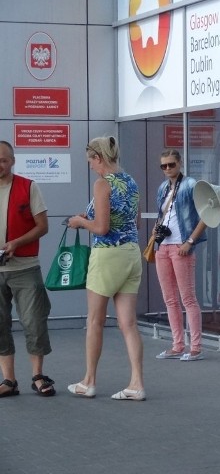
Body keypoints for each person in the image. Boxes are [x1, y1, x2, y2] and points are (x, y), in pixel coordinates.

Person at [67, 136, 145, 401]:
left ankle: (88, 381)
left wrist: (79, 221)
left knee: (94, 320)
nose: (90, 166)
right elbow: (135, 221)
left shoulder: (102, 184)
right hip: (131, 253)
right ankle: (136, 383)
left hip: (108, 255)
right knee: (128, 323)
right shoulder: (131, 181)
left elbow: (102, 228)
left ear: (98, 158)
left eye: (90, 160)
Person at [0, 140, 55, 398]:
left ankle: (38, 376)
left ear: (12, 161)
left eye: (4, 160)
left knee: (34, 323)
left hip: (25, 267)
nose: (0, 165)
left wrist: (16, 243)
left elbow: (42, 226)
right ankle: (9, 380)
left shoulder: (28, 186)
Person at [153, 149, 207, 362]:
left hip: (181, 247)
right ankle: (177, 345)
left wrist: (190, 241)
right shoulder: (162, 188)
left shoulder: (191, 185)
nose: (167, 169)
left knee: (188, 298)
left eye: (171, 165)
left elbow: (206, 214)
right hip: (162, 247)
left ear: (180, 163)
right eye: (163, 166)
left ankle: (196, 347)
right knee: (169, 299)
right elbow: (161, 214)